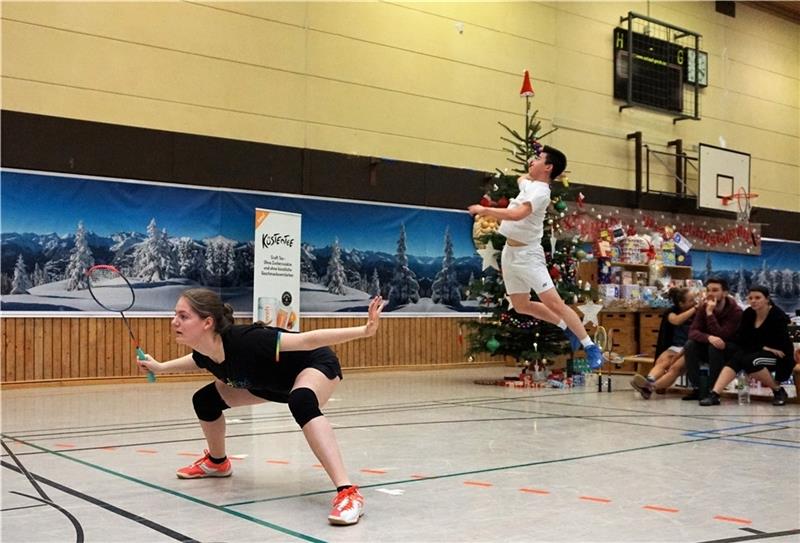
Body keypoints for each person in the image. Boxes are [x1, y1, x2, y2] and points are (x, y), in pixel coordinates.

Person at [137, 288, 385, 526]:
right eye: (175, 315)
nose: (174, 322)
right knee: (205, 400)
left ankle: (348, 492)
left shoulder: (248, 341)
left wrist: (364, 331)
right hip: (266, 384)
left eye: (183, 316)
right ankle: (217, 462)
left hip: (312, 365)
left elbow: (308, 340)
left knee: (301, 402)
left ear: (207, 322)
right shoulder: (206, 350)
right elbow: (196, 360)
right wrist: (161, 367)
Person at [467, 145, 602, 368]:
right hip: (510, 253)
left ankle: (589, 345)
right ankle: (565, 326)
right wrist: (535, 159)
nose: (531, 160)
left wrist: (486, 210)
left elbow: (516, 214)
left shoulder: (541, 192)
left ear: (548, 167)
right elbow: (522, 177)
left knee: (554, 302)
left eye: (538, 158)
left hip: (529, 254)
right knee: (521, 305)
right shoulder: (529, 184)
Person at [701, 286, 793, 406]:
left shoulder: (777, 315)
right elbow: (743, 337)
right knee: (737, 358)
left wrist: (761, 346)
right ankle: (715, 394)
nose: (753, 301)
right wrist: (762, 346)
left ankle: (778, 390)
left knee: (750, 361)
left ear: (767, 299)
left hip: (780, 355)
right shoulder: (749, 313)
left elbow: (779, 342)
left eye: (758, 298)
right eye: (750, 298)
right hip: (757, 350)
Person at [681, 277, 742, 402]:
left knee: (715, 346)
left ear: (725, 293)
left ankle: (713, 391)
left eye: (715, 290)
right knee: (690, 345)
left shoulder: (735, 311)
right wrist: (709, 337)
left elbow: (722, 335)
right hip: (711, 344)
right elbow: (692, 332)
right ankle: (698, 388)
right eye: (708, 290)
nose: (710, 294)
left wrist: (710, 313)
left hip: (730, 348)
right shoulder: (704, 307)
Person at [630, 287, 697, 399]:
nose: (695, 302)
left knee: (675, 367)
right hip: (675, 346)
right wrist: (695, 308)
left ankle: (649, 387)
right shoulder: (672, 312)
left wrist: (696, 308)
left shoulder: (699, 313)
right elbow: (677, 320)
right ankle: (649, 379)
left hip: (690, 348)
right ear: (681, 303)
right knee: (662, 361)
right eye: (691, 300)